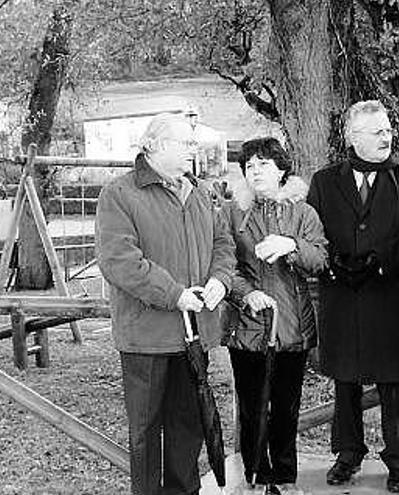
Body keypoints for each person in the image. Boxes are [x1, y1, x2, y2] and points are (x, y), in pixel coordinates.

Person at [95, 112, 236, 495]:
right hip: (147, 336)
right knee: (145, 432)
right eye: (184, 143)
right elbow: (120, 261)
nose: (193, 150)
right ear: (153, 145)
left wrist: (220, 281)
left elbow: (223, 244)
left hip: (194, 335)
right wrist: (174, 294)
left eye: (193, 143)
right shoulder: (120, 195)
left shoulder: (203, 192)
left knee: (187, 426)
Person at [307, 100, 399, 493]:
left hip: (388, 293)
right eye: (376, 131)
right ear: (352, 137)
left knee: (393, 379)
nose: (386, 136)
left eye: (387, 130)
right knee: (344, 378)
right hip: (341, 295)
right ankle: (348, 454)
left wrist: (381, 261)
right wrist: (332, 264)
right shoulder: (325, 181)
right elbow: (313, 231)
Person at [223, 138, 327, 495]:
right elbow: (222, 263)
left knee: (286, 408)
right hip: (248, 325)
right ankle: (255, 477)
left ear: (282, 169)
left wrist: (292, 246)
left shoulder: (303, 212)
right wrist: (245, 293)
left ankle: (284, 478)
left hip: (292, 323)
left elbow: (320, 260)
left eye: (263, 164)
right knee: (252, 408)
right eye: (249, 166)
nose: (255, 171)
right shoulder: (232, 212)